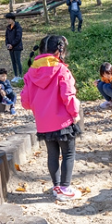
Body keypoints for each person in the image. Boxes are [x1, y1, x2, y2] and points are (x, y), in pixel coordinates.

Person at [21, 35, 82, 202]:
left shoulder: (30, 73)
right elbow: (68, 95)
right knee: (68, 154)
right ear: (58, 51)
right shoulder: (62, 70)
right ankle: (65, 188)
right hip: (63, 121)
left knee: (52, 154)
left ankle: (56, 187)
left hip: (43, 123)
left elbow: (25, 102)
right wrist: (75, 113)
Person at [4, 13, 24, 83]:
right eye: (7, 19)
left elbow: (18, 37)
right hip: (10, 47)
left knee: (17, 61)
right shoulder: (8, 27)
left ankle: (21, 76)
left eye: (9, 19)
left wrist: (12, 44)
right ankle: (16, 76)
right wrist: (7, 44)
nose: (8, 20)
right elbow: (6, 37)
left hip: (17, 47)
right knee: (13, 62)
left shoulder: (18, 27)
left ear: (13, 19)